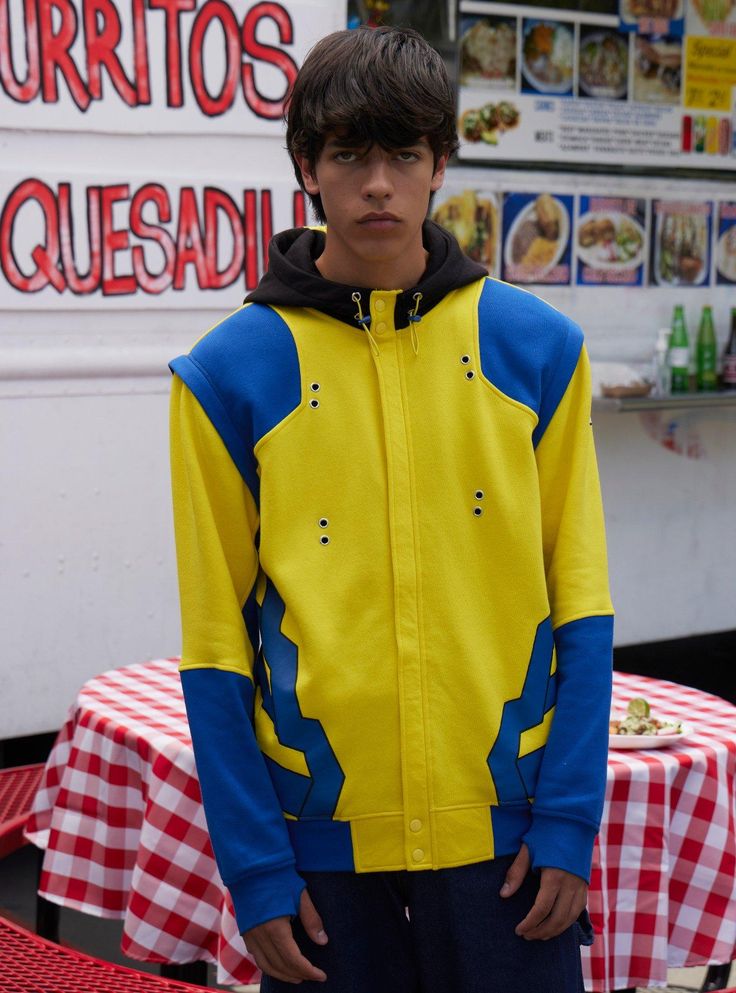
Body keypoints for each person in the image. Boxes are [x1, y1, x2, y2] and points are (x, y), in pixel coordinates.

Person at [168, 25, 614, 993]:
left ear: (440, 163)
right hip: (317, 851)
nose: (378, 183)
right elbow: (213, 647)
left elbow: (580, 603)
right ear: (306, 169)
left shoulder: (537, 351)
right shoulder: (226, 374)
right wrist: (255, 868)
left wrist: (570, 819)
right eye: (350, 155)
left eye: (403, 154)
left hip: (509, 838)